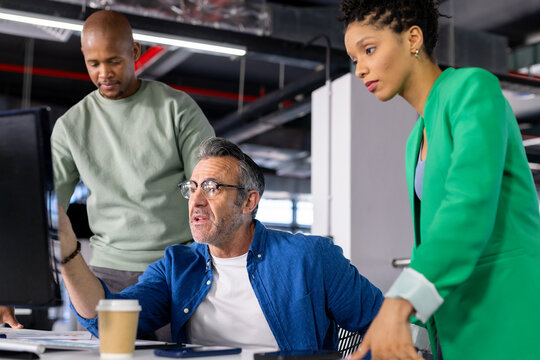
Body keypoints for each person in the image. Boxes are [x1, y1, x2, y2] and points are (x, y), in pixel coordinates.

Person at [340, 1, 540, 359]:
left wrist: (401, 302)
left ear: (412, 38)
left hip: (508, 311)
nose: (360, 69)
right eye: (355, 58)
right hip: (456, 323)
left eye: (369, 50)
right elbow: (428, 243)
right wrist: (408, 332)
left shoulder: (473, 88)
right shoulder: (415, 139)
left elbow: (470, 204)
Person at [58, 137, 384, 350]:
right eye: (192, 188)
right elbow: (108, 320)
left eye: (212, 187)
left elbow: (383, 324)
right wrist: (69, 254)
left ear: (248, 202)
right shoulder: (177, 266)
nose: (196, 200)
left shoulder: (310, 258)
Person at [0, 10, 214, 330]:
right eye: (94, 63)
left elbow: (212, 186)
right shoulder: (72, 126)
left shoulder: (176, 108)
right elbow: (41, 210)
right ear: (84, 58)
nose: (104, 73)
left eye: (114, 61)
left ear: (135, 52)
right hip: (109, 275)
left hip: (177, 267)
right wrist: (9, 284)